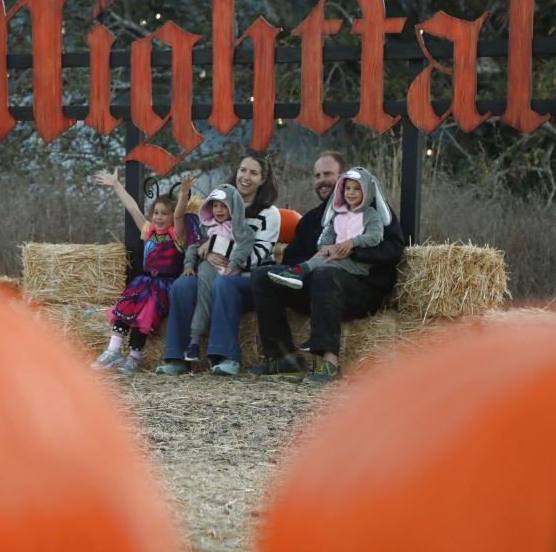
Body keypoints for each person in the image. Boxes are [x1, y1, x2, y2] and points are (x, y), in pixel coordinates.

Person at [250, 157, 405, 384]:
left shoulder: (376, 213)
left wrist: (352, 251)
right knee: (263, 276)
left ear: (345, 177)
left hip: (361, 289)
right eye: (318, 176)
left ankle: (329, 363)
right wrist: (319, 257)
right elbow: (293, 257)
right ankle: (283, 358)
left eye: (328, 174)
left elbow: (394, 249)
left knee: (326, 274)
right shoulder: (313, 219)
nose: (322, 181)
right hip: (317, 288)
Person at [157, 151, 281, 376]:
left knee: (224, 284)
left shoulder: (269, 213)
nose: (246, 176)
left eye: (254, 173)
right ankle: (177, 358)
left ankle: (225, 357)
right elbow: (198, 243)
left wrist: (215, 247)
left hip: (250, 280)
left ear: (263, 180)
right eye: (243, 170)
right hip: (215, 274)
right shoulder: (218, 206)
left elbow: (257, 256)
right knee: (182, 286)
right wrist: (203, 254)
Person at [92, 170, 194, 373]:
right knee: (128, 304)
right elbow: (132, 207)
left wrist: (184, 193)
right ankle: (113, 351)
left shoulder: (177, 235)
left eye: (164, 214)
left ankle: (134, 358)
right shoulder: (148, 231)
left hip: (165, 284)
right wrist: (116, 185)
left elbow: (180, 214)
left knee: (145, 313)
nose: (159, 217)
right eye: (156, 213)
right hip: (144, 281)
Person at [268, 166, 386, 288]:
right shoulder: (339, 214)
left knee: (319, 262)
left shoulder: (371, 214)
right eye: (347, 188)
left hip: (358, 264)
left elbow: (375, 236)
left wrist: (352, 242)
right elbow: (328, 233)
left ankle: (295, 275)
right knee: (318, 257)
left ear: (367, 191)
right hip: (336, 256)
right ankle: (295, 277)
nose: (351, 193)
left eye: (357, 189)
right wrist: (325, 247)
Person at [182, 184, 254, 363]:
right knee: (203, 300)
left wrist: (232, 260)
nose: (219, 210)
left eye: (224, 206)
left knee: (221, 300)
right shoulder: (207, 229)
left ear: (233, 207)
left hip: (230, 275)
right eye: (215, 206)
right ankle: (194, 341)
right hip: (209, 270)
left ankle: (217, 351)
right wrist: (189, 264)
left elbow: (244, 246)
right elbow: (193, 248)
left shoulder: (242, 230)